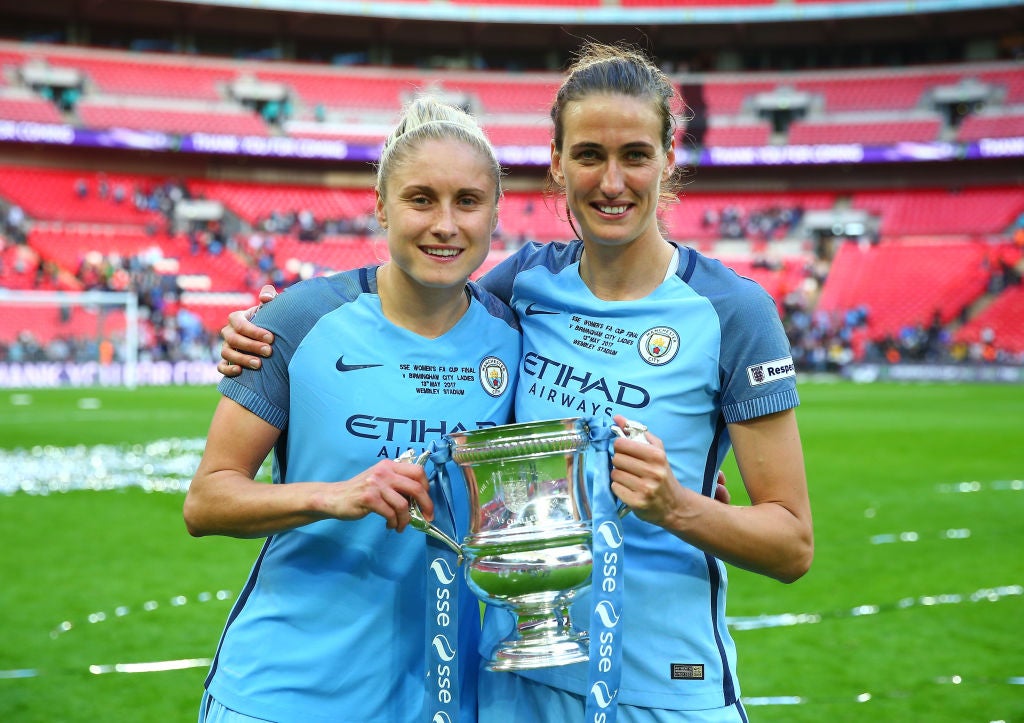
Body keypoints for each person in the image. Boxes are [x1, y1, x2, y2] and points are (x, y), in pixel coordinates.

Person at [219, 42, 813, 723]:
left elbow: (792, 544)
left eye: (635, 155)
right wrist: (267, 323)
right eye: (589, 154)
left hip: (663, 688)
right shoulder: (523, 286)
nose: (612, 181)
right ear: (558, 164)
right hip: (514, 687)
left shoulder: (732, 312)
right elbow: (415, 299)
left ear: (669, 158)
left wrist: (677, 505)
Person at [184, 96, 521, 723]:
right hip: (287, 694)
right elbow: (206, 501)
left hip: (443, 699)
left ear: (495, 213)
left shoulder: (517, 336)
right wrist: (334, 495)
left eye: (468, 202)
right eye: (420, 199)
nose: (444, 224)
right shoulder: (299, 320)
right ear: (380, 206)